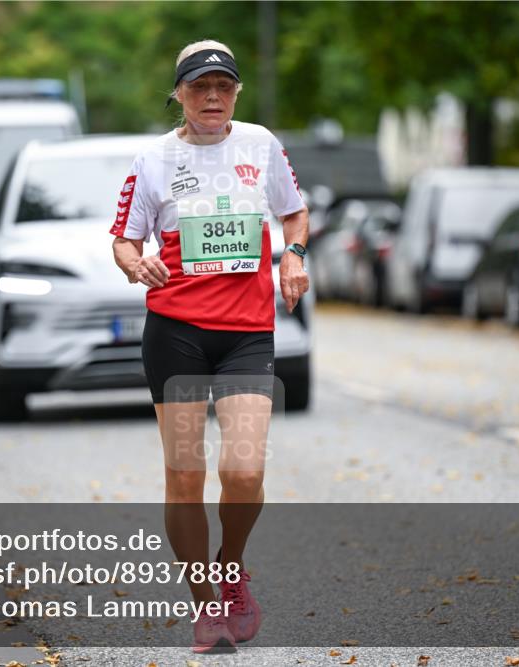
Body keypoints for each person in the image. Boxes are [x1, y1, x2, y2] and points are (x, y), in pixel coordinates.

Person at [110, 39, 310, 654]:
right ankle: (205, 608)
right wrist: (134, 265)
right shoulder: (154, 160)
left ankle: (231, 569)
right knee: (185, 475)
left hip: (247, 331)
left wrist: (294, 258)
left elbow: (294, 214)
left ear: (237, 92)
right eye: (200, 87)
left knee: (245, 471)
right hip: (176, 333)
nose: (213, 96)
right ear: (179, 95)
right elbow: (123, 238)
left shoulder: (262, 145)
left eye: (224, 85)